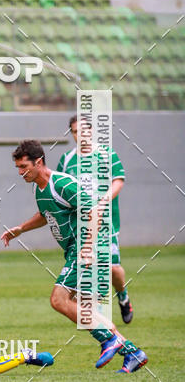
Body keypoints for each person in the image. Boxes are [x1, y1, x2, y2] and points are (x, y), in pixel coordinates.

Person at [1, 139, 147, 374]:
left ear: (39, 162)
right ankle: (132, 353)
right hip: (75, 250)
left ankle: (109, 341)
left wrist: (88, 247)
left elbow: (95, 211)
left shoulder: (63, 183)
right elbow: (45, 214)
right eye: (17, 168)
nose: (20, 173)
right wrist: (20, 229)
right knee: (83, 307)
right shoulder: (38, 186)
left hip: (85, 248)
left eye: (23, 167)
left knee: (58, 300)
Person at [57, 114, 132, 323]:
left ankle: (123, 297)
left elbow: (118, 180)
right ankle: (96, 312)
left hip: (107, 222)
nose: (80, 135)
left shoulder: (106, 154)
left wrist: (102, 201)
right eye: (75, 132)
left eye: (83, 130)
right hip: (82, 224)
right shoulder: (67, 160)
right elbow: (61, 188)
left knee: (113, 269)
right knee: (89, 264)